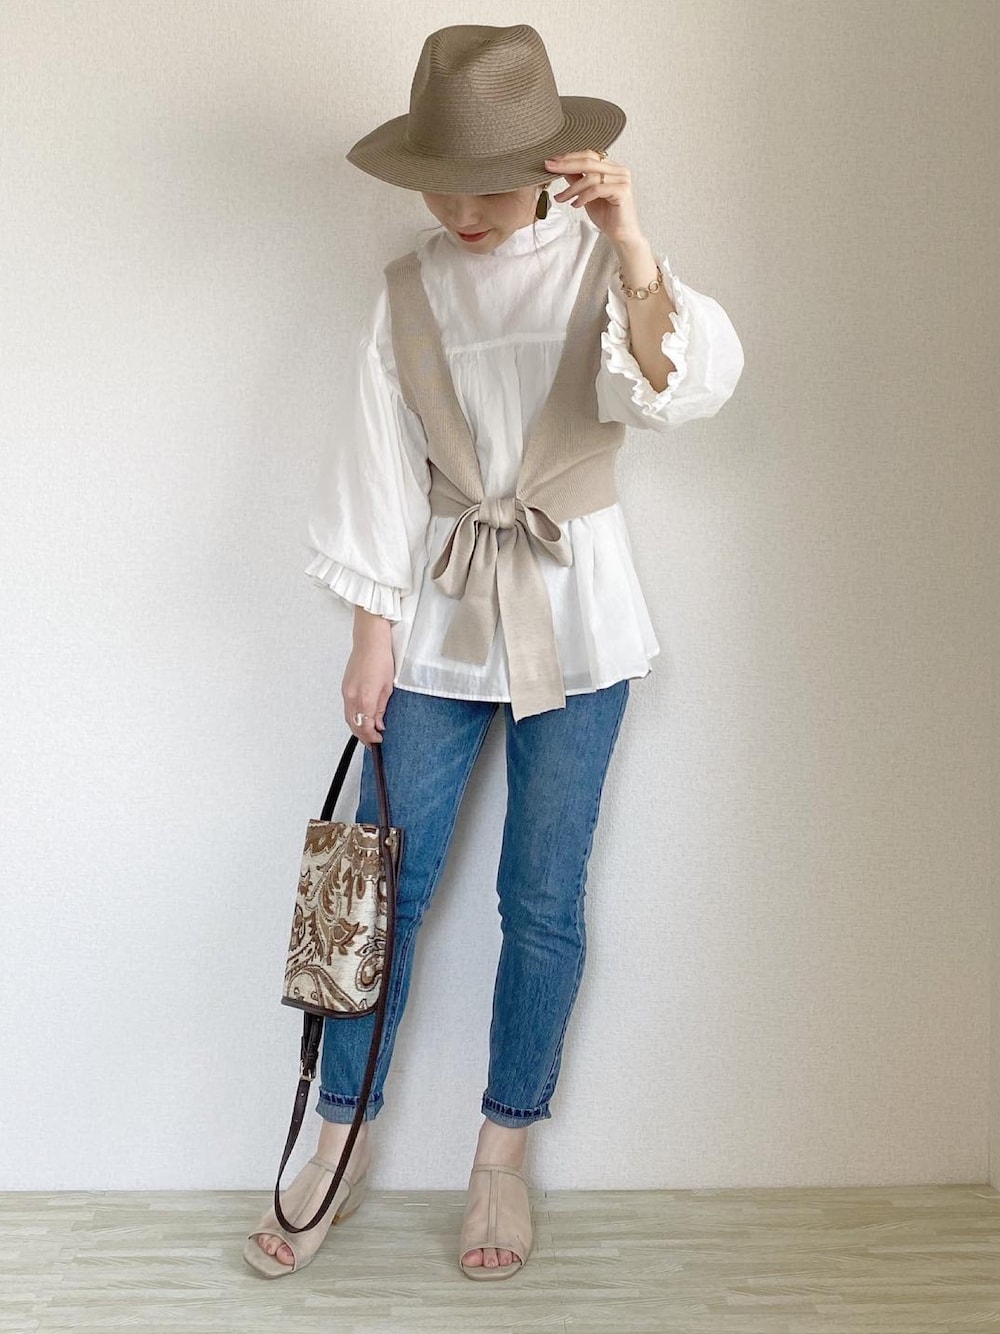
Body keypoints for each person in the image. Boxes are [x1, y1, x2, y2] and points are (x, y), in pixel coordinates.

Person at [244, 22, 744, 1282]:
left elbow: (680, 389)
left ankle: (500, 1155)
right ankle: (340, 1134)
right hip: (437, 619)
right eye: (442, 184)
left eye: (487, 184)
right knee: (378, 888)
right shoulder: (406, 289)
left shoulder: (603, 267)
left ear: (547, 165)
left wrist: (632, 242)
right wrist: (370, 633)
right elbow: (374, 465)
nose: (463, 212)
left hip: (581, 624)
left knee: (543, 897)